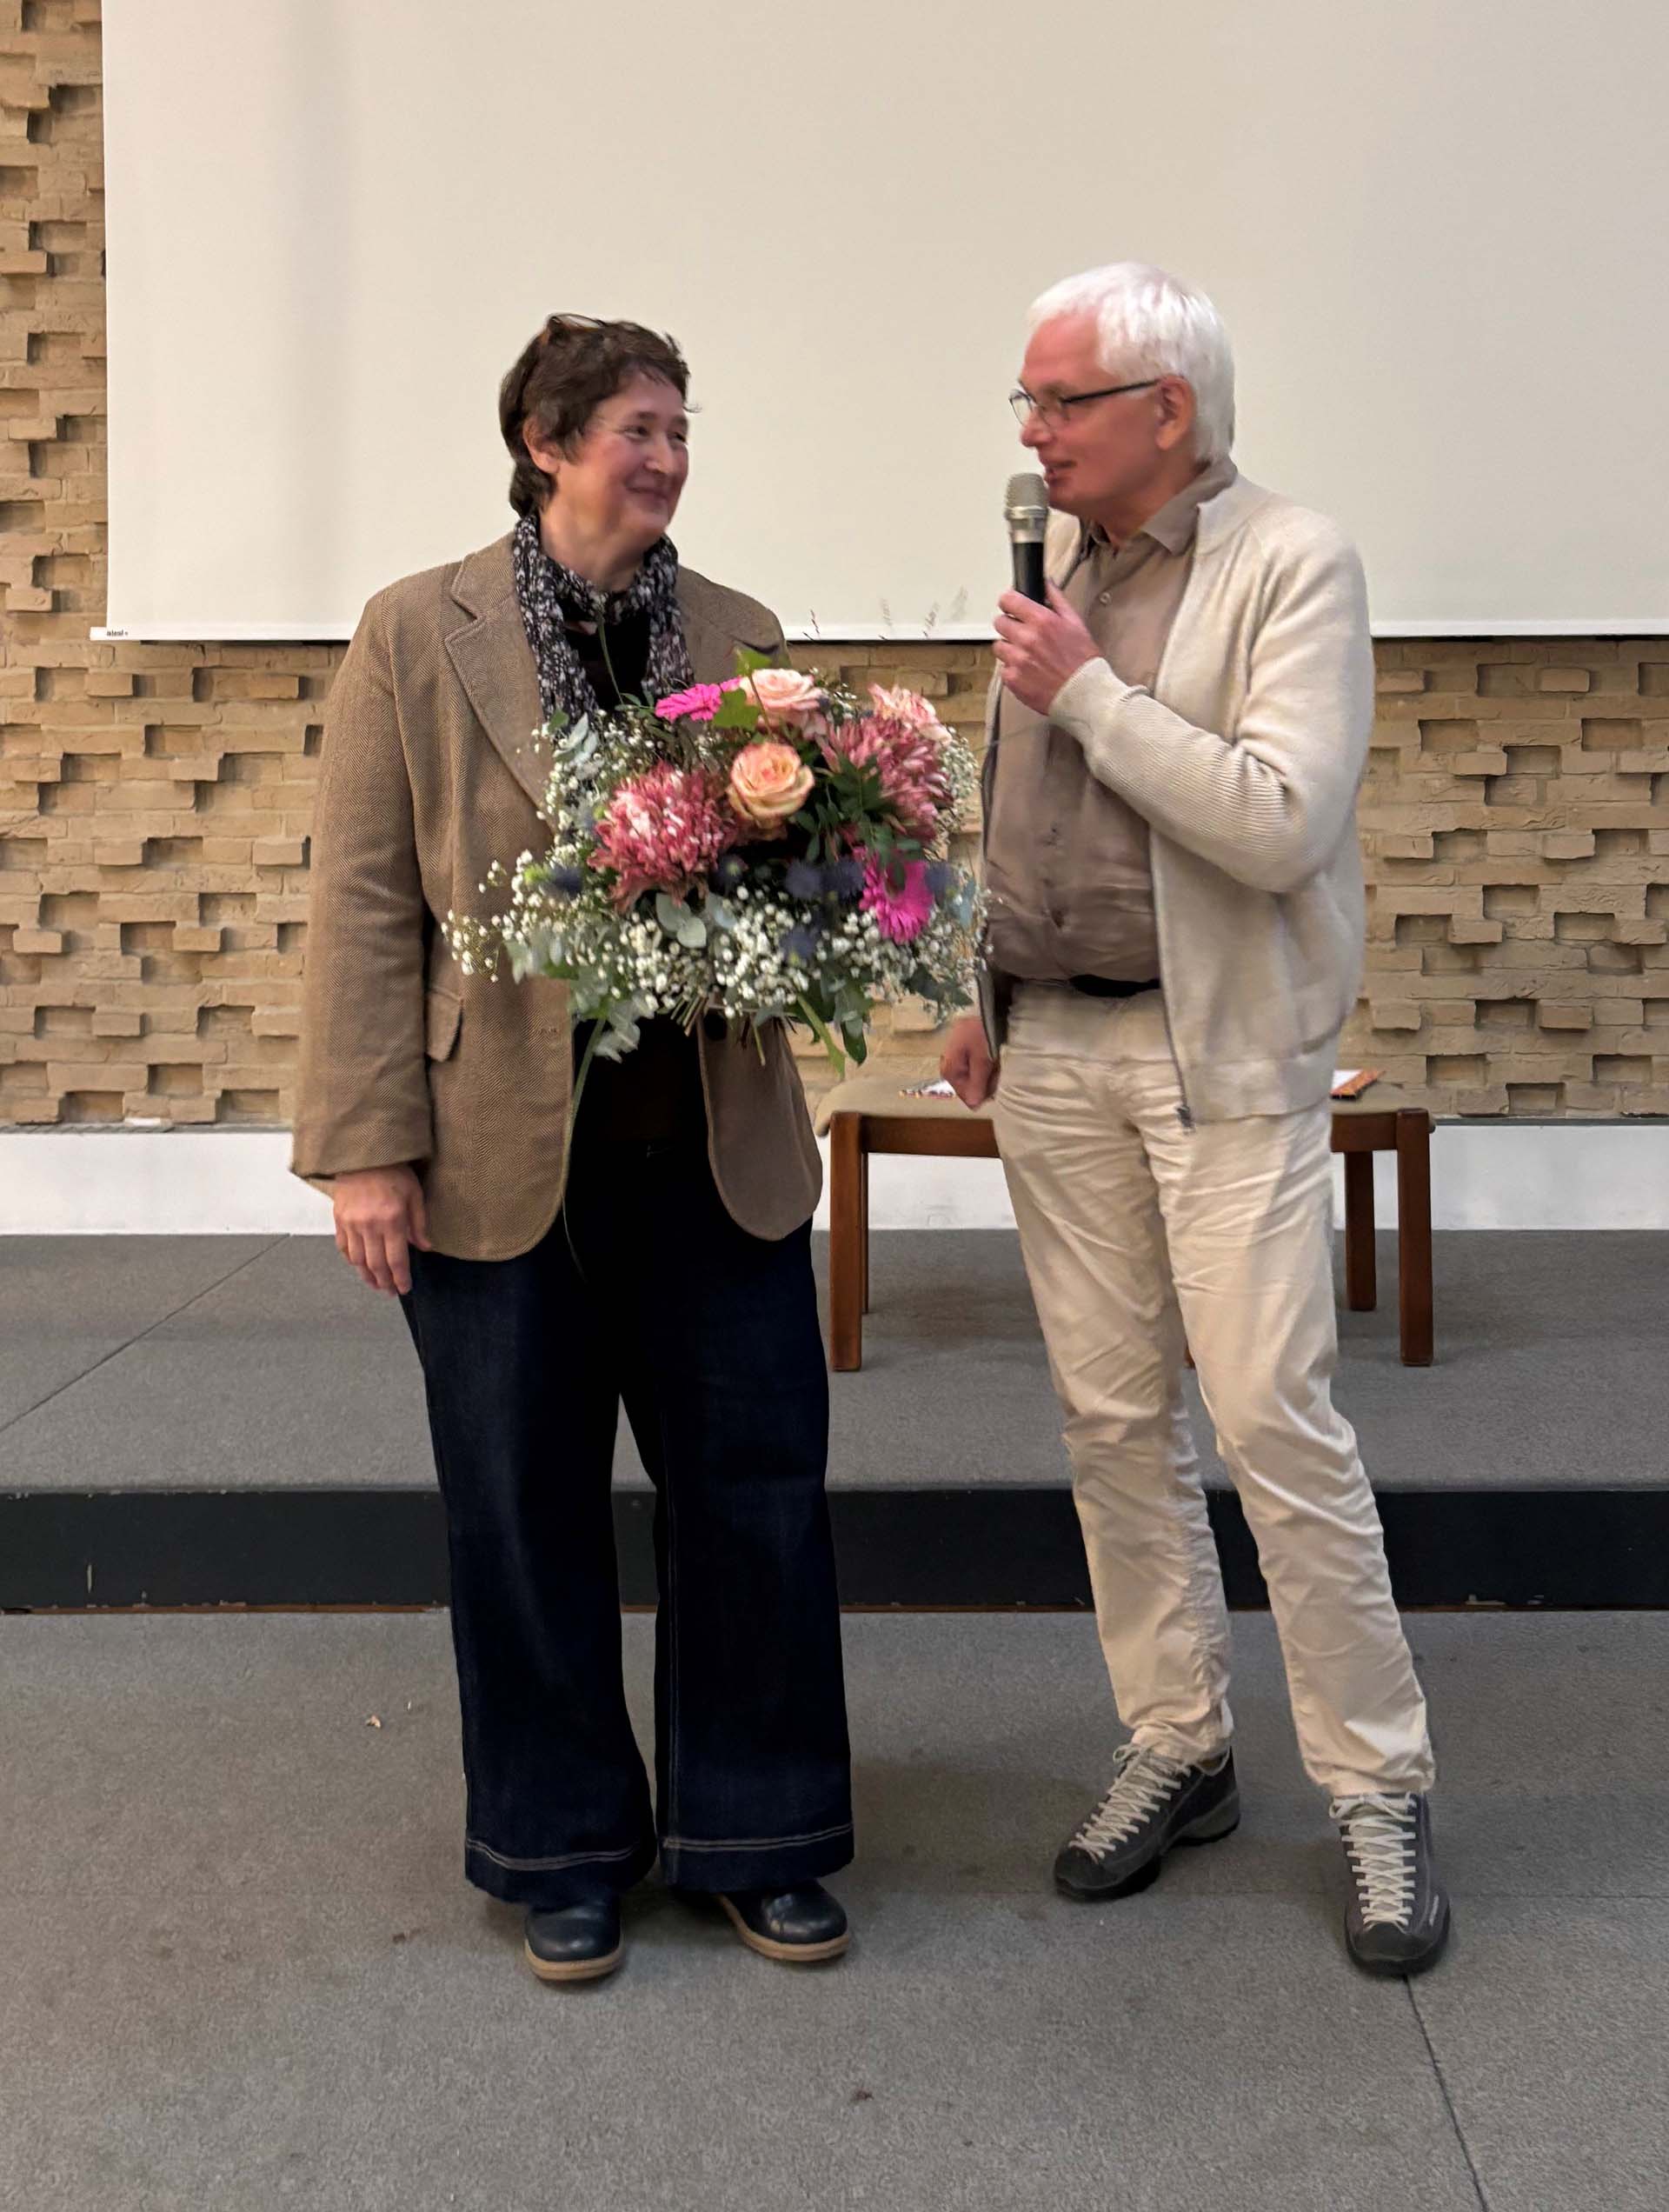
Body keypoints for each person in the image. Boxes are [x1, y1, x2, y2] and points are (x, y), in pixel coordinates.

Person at [292, 315, 853, 1984]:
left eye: (682, 427)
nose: (667, 456)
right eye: (636, 427)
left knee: (755, 1498)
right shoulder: (419, 629)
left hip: (713, 1146)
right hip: (491, 1154)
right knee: (521, 1507)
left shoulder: (741, 635)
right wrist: (366, 1150)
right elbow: (365, 900)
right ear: (544, 441)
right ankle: (562, 1846)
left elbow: (812, 877)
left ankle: (759, 1834)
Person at [941, 262, 1450, 1976]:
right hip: (1057, 1057)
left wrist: (1085, 688)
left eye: (1060, 400)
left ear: (1167, 409)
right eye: (1026, 403)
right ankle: (1179, 1736)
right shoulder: (1058, 576)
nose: (1033, 432)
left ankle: (1379, 1785)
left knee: (1270, 1425)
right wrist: (975, 980)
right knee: (1109, 1423)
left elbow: (1280, 818)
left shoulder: (1292, 560)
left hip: (1217, 1062)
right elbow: (1014, 807)